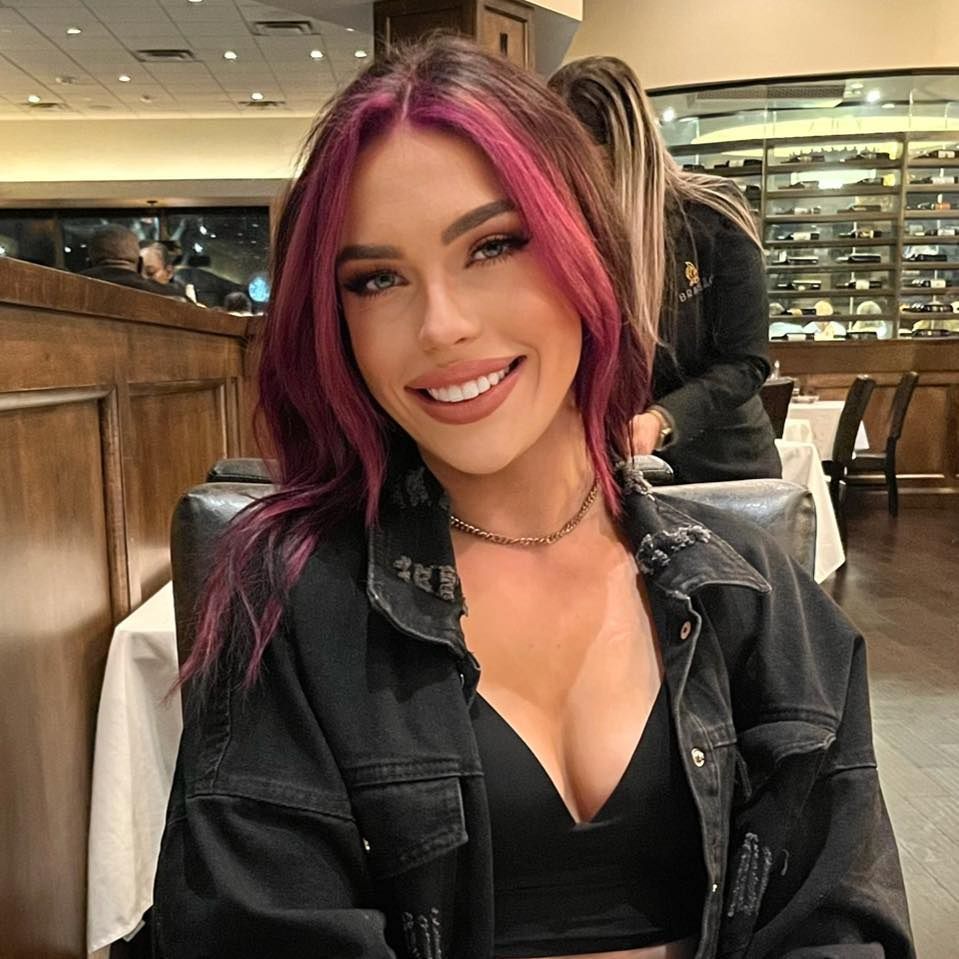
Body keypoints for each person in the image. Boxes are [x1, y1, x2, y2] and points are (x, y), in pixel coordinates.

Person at [153, 36, 913, 959]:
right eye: (377, 278)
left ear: (584, 248)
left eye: (493, 245)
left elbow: (838, 926)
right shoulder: (291, 606)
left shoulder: (757, 599)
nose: (442, 324)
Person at [550, 58, 781, 484]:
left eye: (580, 161)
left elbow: (745, 362)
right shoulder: (574, 235)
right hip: (612, 472)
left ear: (624, 147)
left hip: (724, 470)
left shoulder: (712, 216)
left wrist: (662, 419)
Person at [80, 226, 184, 298]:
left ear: (89, 264)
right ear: (140, 265)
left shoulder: (67, 291)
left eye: (151, 272)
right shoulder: (175, 298)